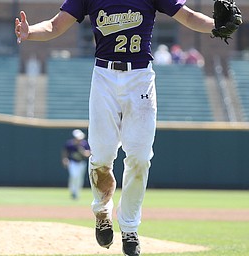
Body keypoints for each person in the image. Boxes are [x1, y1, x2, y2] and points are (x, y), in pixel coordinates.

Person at [15, 1, 215, 255]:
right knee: (101, 156)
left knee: (140, 158)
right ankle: (102, 212)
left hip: (140, 78)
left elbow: (188, 17)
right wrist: (29, 32)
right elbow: (56, 25)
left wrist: (216, 26)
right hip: (105, 77)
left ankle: (130, 228)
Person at [61, 129, 90, 200]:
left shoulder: (84, 144)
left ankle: (77, 193)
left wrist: (82, 151)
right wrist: (64, 159)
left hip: (81, 163)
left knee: (79, 178)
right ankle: (73, 191)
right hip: (73, 162)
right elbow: (65, 152)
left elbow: (88, 154)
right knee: (74, 176)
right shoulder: (70, 144)